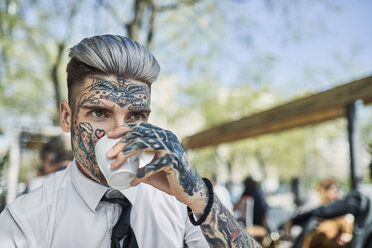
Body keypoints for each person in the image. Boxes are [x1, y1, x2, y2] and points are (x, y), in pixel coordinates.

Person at [0, 35, 261, 247]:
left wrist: (200, 199)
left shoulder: (176, 202)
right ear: (67, 117)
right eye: (100, 113)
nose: (120, 132)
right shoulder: (25, 221)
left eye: (135, 116)